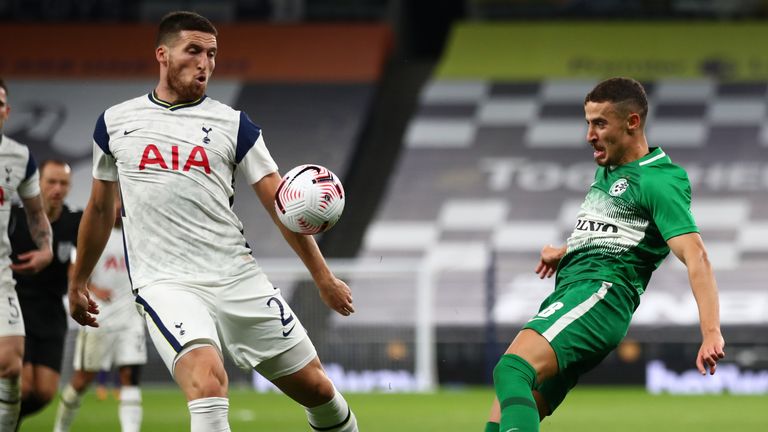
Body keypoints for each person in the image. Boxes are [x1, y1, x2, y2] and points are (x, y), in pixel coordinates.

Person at [68, 11, 358, 432]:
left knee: (317, 388)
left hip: (236, 276)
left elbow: (282, 206)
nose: (205, 63)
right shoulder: (115, 123)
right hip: (167, 282)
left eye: (212, 54)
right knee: (208, 382)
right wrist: (78, 280)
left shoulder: (234, 125)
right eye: (194, 51)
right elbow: (98, 211)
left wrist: (324, 278)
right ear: (162, 55)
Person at [484, 77, 726, 432]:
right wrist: (568, 251)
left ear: (632, 122)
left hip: (599, 295)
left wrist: (711, 331)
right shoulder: (611, 169)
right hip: (575, 292)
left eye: (600, 123)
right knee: (506, 413)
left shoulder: (658, 182)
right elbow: (621, 235)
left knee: (511, 369)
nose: (589, 135)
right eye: (588, 123)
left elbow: (696, 256)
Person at [54, 194, 146, 432]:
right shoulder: (94, 232)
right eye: (113, 202)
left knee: (130, 375)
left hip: (130, 315)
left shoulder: (136, 233)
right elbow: (74, 270)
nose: (117, 207)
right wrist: (92, 288)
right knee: (82, 380)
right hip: (99, 316)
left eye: (121, 202)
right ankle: (60, 428)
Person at [8, 159, 82, 425]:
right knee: (23, 388)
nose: (57, 188)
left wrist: (79, 287)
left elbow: (78, 263)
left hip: (51, 314)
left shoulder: (75, 221)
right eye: (51, 181)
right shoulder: (14, 217)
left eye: (63, 183)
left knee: (44, 392)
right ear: (38, 183)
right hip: (15, 309)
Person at [0, 79, 53, 430]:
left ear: (6, 110)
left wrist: (46, 247)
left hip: (1, 277)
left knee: (10, 365)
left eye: (0, 102)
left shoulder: (19, 157)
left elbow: (36, 215)